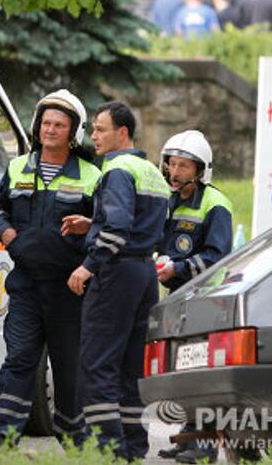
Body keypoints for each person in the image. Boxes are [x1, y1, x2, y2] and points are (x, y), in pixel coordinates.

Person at [0, 90, 101, 446]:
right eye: (46, 123)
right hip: (25, 287)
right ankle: (2, 438)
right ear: (37, 127)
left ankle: (75, 443)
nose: (50, 130)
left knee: (69, 371)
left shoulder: (91, 175)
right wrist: (8, 234)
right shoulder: (18, 166)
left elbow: (105, 225)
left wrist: (88, 226)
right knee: (19, 359)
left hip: (69, 291)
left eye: (59, 125)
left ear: (73, 132)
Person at [64, 102, 169, 461]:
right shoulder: (151, 171)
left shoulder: (117, 170)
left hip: (116, 273)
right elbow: (140, 223)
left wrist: (88, 265)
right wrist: (91, 222)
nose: (93, 135)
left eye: (100, 128)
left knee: (97, 364)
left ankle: (108, 452)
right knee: (129, 368)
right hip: (144, 275)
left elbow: (118, 228)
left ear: (122, 133)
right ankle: (134, 450)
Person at [155, 130, 233, 464]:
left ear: (201, 170)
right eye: (172, 164)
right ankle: (188, 440)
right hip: (177, 296)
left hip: (205, 298)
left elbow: (217, 256)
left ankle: (203, 447)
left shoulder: (216, 204)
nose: (174, 172)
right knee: (181, 372)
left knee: (200, 371)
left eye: (184, 166)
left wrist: (179, 268)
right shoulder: (170, 199)